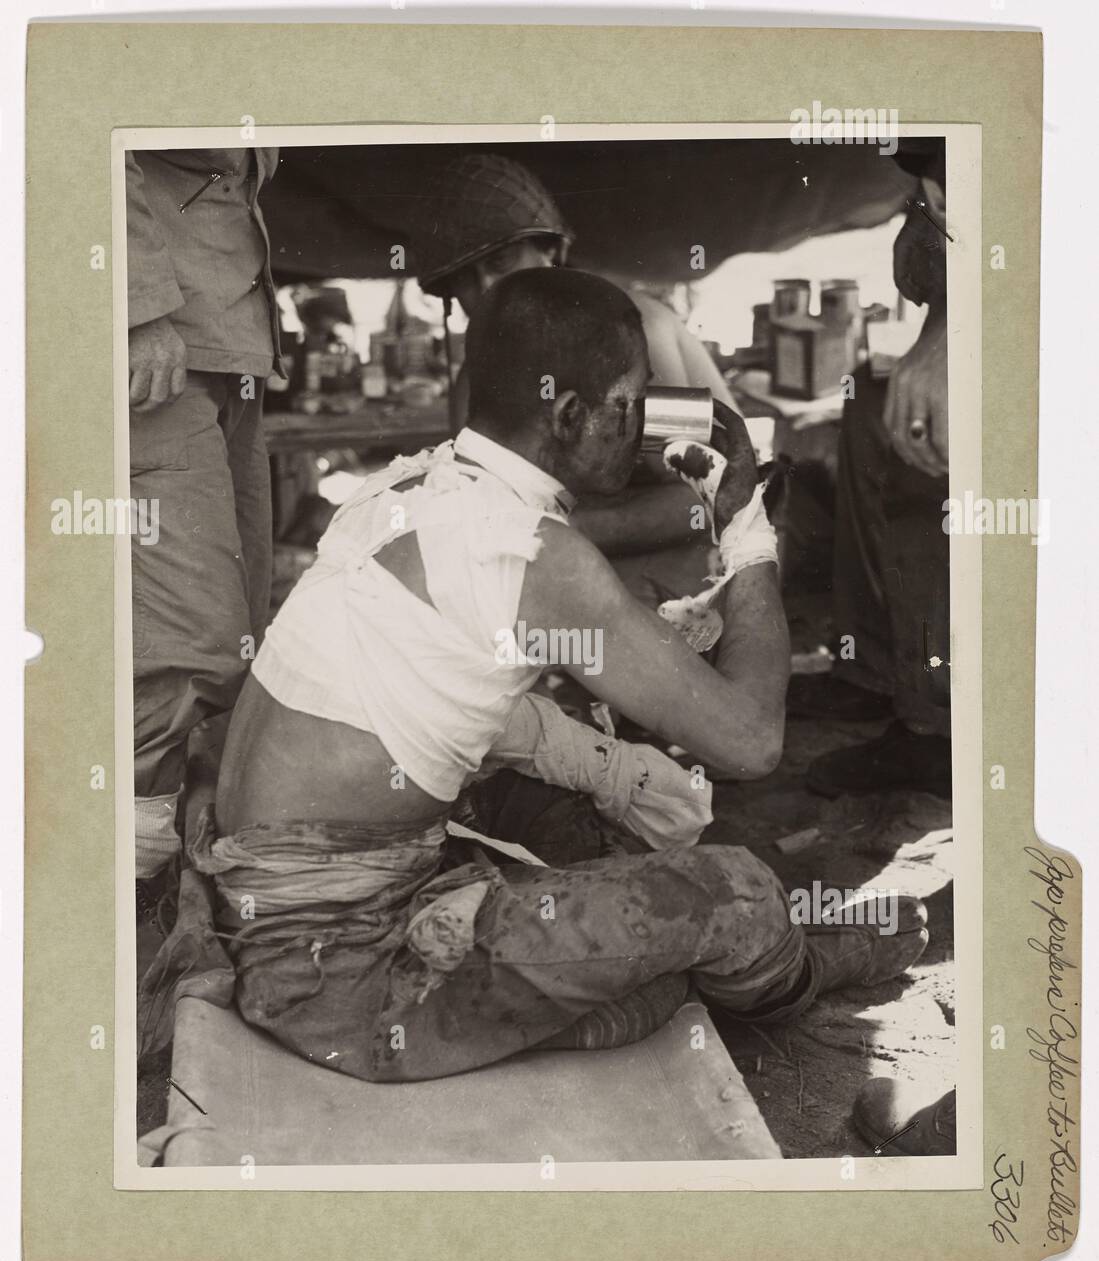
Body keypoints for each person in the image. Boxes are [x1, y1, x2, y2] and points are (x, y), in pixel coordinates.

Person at [190, 268, 928, 1083]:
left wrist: (605, 767)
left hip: (279, 889)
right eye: (630, 403)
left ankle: (658, 964)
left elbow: (425, 689)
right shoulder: (534, 555)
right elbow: (752, 742)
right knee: (729, 891)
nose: (641, 424)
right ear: (569, 414)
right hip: (338, 978)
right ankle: (788, 974)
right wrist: (746, 527)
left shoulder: (401, 484)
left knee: (596, 814)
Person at [409, 152, 739, 610]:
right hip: (570, 563)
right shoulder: (477, 377)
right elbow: (477, 506)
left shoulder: (635, 335)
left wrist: (554, 530)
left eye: (501, 261)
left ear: (551, 252)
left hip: (694, 561)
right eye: (465, 279)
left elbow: (713, 497)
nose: (486, 287)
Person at [127, 147, 283, 931]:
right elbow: (83, 121)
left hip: (229, 342)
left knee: (246, 628)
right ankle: (122, 898)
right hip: (161, 345)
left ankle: (176, 883)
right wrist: (136, 307)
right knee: (188, 640)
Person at [788, 141, 951, 798]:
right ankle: (873, 668)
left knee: (915, 429)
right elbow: (930, 256)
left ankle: (936, 729)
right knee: (867, 395)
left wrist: (949, 340)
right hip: (972, 320)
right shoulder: (926, 161)